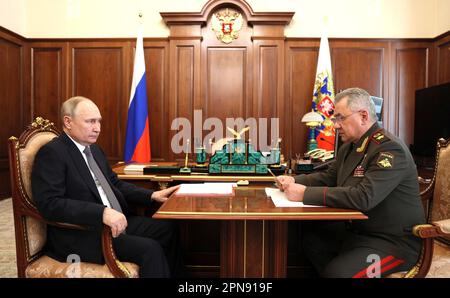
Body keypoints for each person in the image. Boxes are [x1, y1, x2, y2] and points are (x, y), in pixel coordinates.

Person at [276, 88, 425, 278]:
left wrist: (304, 194)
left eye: (340, 118)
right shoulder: (350, 147)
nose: (335, 125)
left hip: (393, 243)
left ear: (363, 116)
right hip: (359, 233)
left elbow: (364, 197)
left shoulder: (389, 148)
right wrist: (293, 180)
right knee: (312, 242)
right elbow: (328, 177)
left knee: (337, 274)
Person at [32, 96, 184, 278]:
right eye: (90, 122)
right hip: (83, 233)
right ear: (68, 122)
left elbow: (115, 184)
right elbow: (50, 204)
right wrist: (101, 212)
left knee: (169, 228)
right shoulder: (52, 153)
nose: (97, 128)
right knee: (150, 249)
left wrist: (152, 196)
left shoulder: (94, 150)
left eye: (98, 122)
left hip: (115, 222)